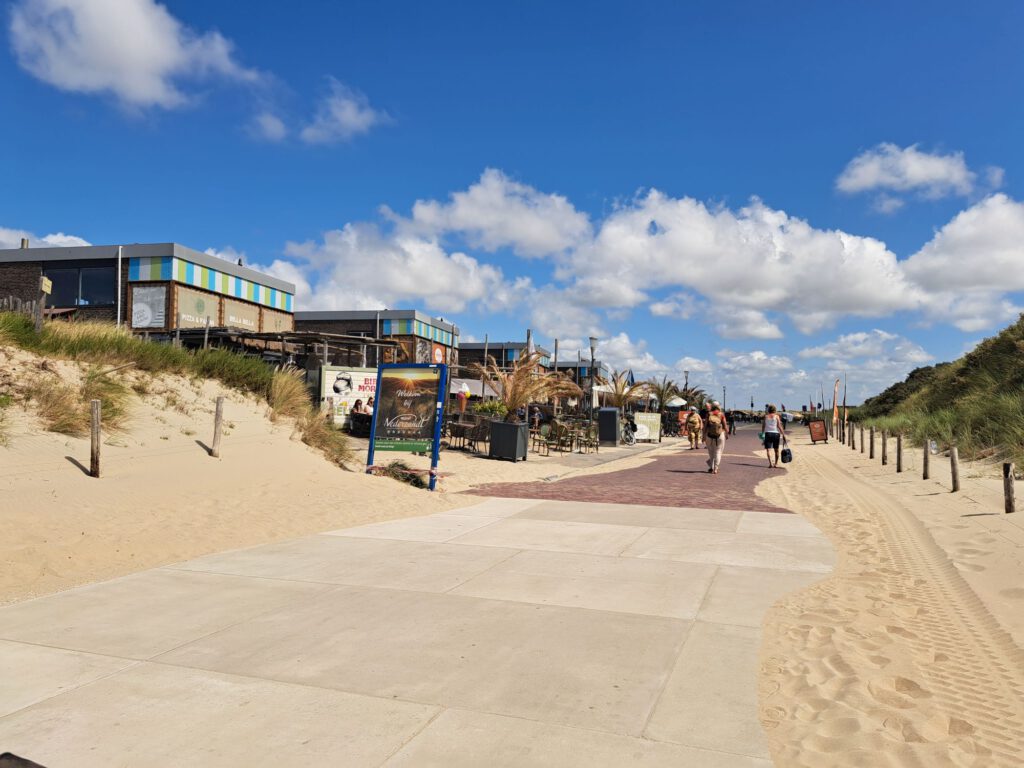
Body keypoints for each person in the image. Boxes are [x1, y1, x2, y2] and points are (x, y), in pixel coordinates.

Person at [704, 401, 728, 474]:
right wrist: (726, 434)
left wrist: (703, 435)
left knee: (711, 452)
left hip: (709, 435)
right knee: (718, 451)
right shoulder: (721, 414)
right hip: (719, 435)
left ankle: (711, 467)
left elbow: (705, 426)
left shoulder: (709, 414)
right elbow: (725, 426)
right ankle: (716, 468)